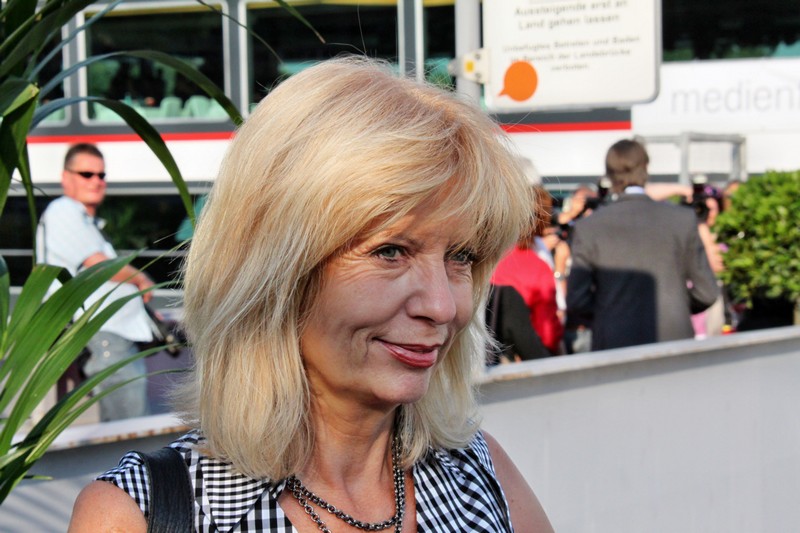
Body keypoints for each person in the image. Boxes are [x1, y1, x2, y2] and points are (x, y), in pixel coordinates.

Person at [69, 58, 553, 532]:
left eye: (462, 256)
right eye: (390, 251)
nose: (443, 307)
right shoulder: (136, 515)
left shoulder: (482, 476)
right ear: (275, 271)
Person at [36, 143, 155, 421]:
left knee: (127, 420)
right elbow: (99, 265)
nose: (96, 181)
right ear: (66, 177)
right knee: (130, 426)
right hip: (103, 335)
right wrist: (141, 279)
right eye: (86, 174)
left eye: (101, 175)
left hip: (109, 336)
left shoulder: (85, 221)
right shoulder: (63, 210)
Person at [566, 139, 719, 351]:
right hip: (673, 340)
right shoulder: (682, 220)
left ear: (609, 173)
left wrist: (611, 314)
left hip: (614, 342)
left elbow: (577, 300)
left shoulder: (589, 227)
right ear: (646, 168)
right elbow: (707, 292)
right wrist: (676, 308)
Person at [492, 186, 564, 356]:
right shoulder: (536, 266)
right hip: (525, 354)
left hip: (486, 353)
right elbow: (547, 332)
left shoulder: (486, 257)